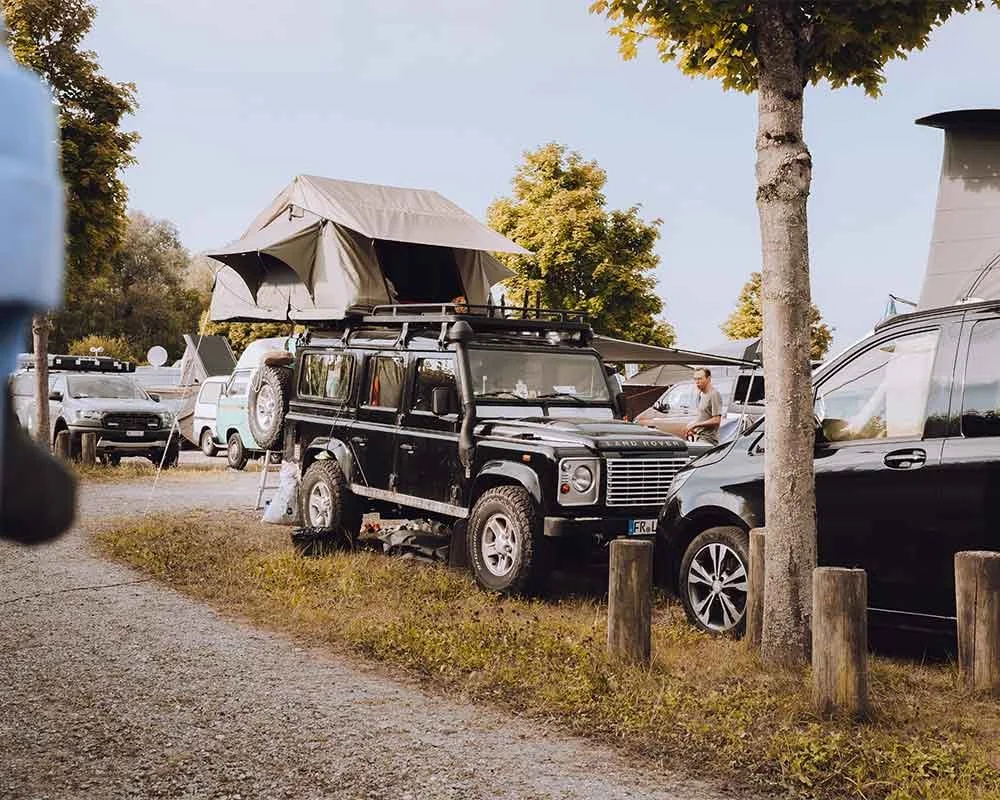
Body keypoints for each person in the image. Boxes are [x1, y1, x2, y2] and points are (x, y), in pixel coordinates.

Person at [684, 367, 723, 444]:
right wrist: (693, 429)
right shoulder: (701, 394)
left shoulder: (714, 394)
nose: (697, 382)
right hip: (699, 437)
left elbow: (716, 420)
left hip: (708, 439)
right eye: (695, 379)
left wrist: (695, 425)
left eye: (700, 379)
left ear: (708, 379)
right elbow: (704, 417)